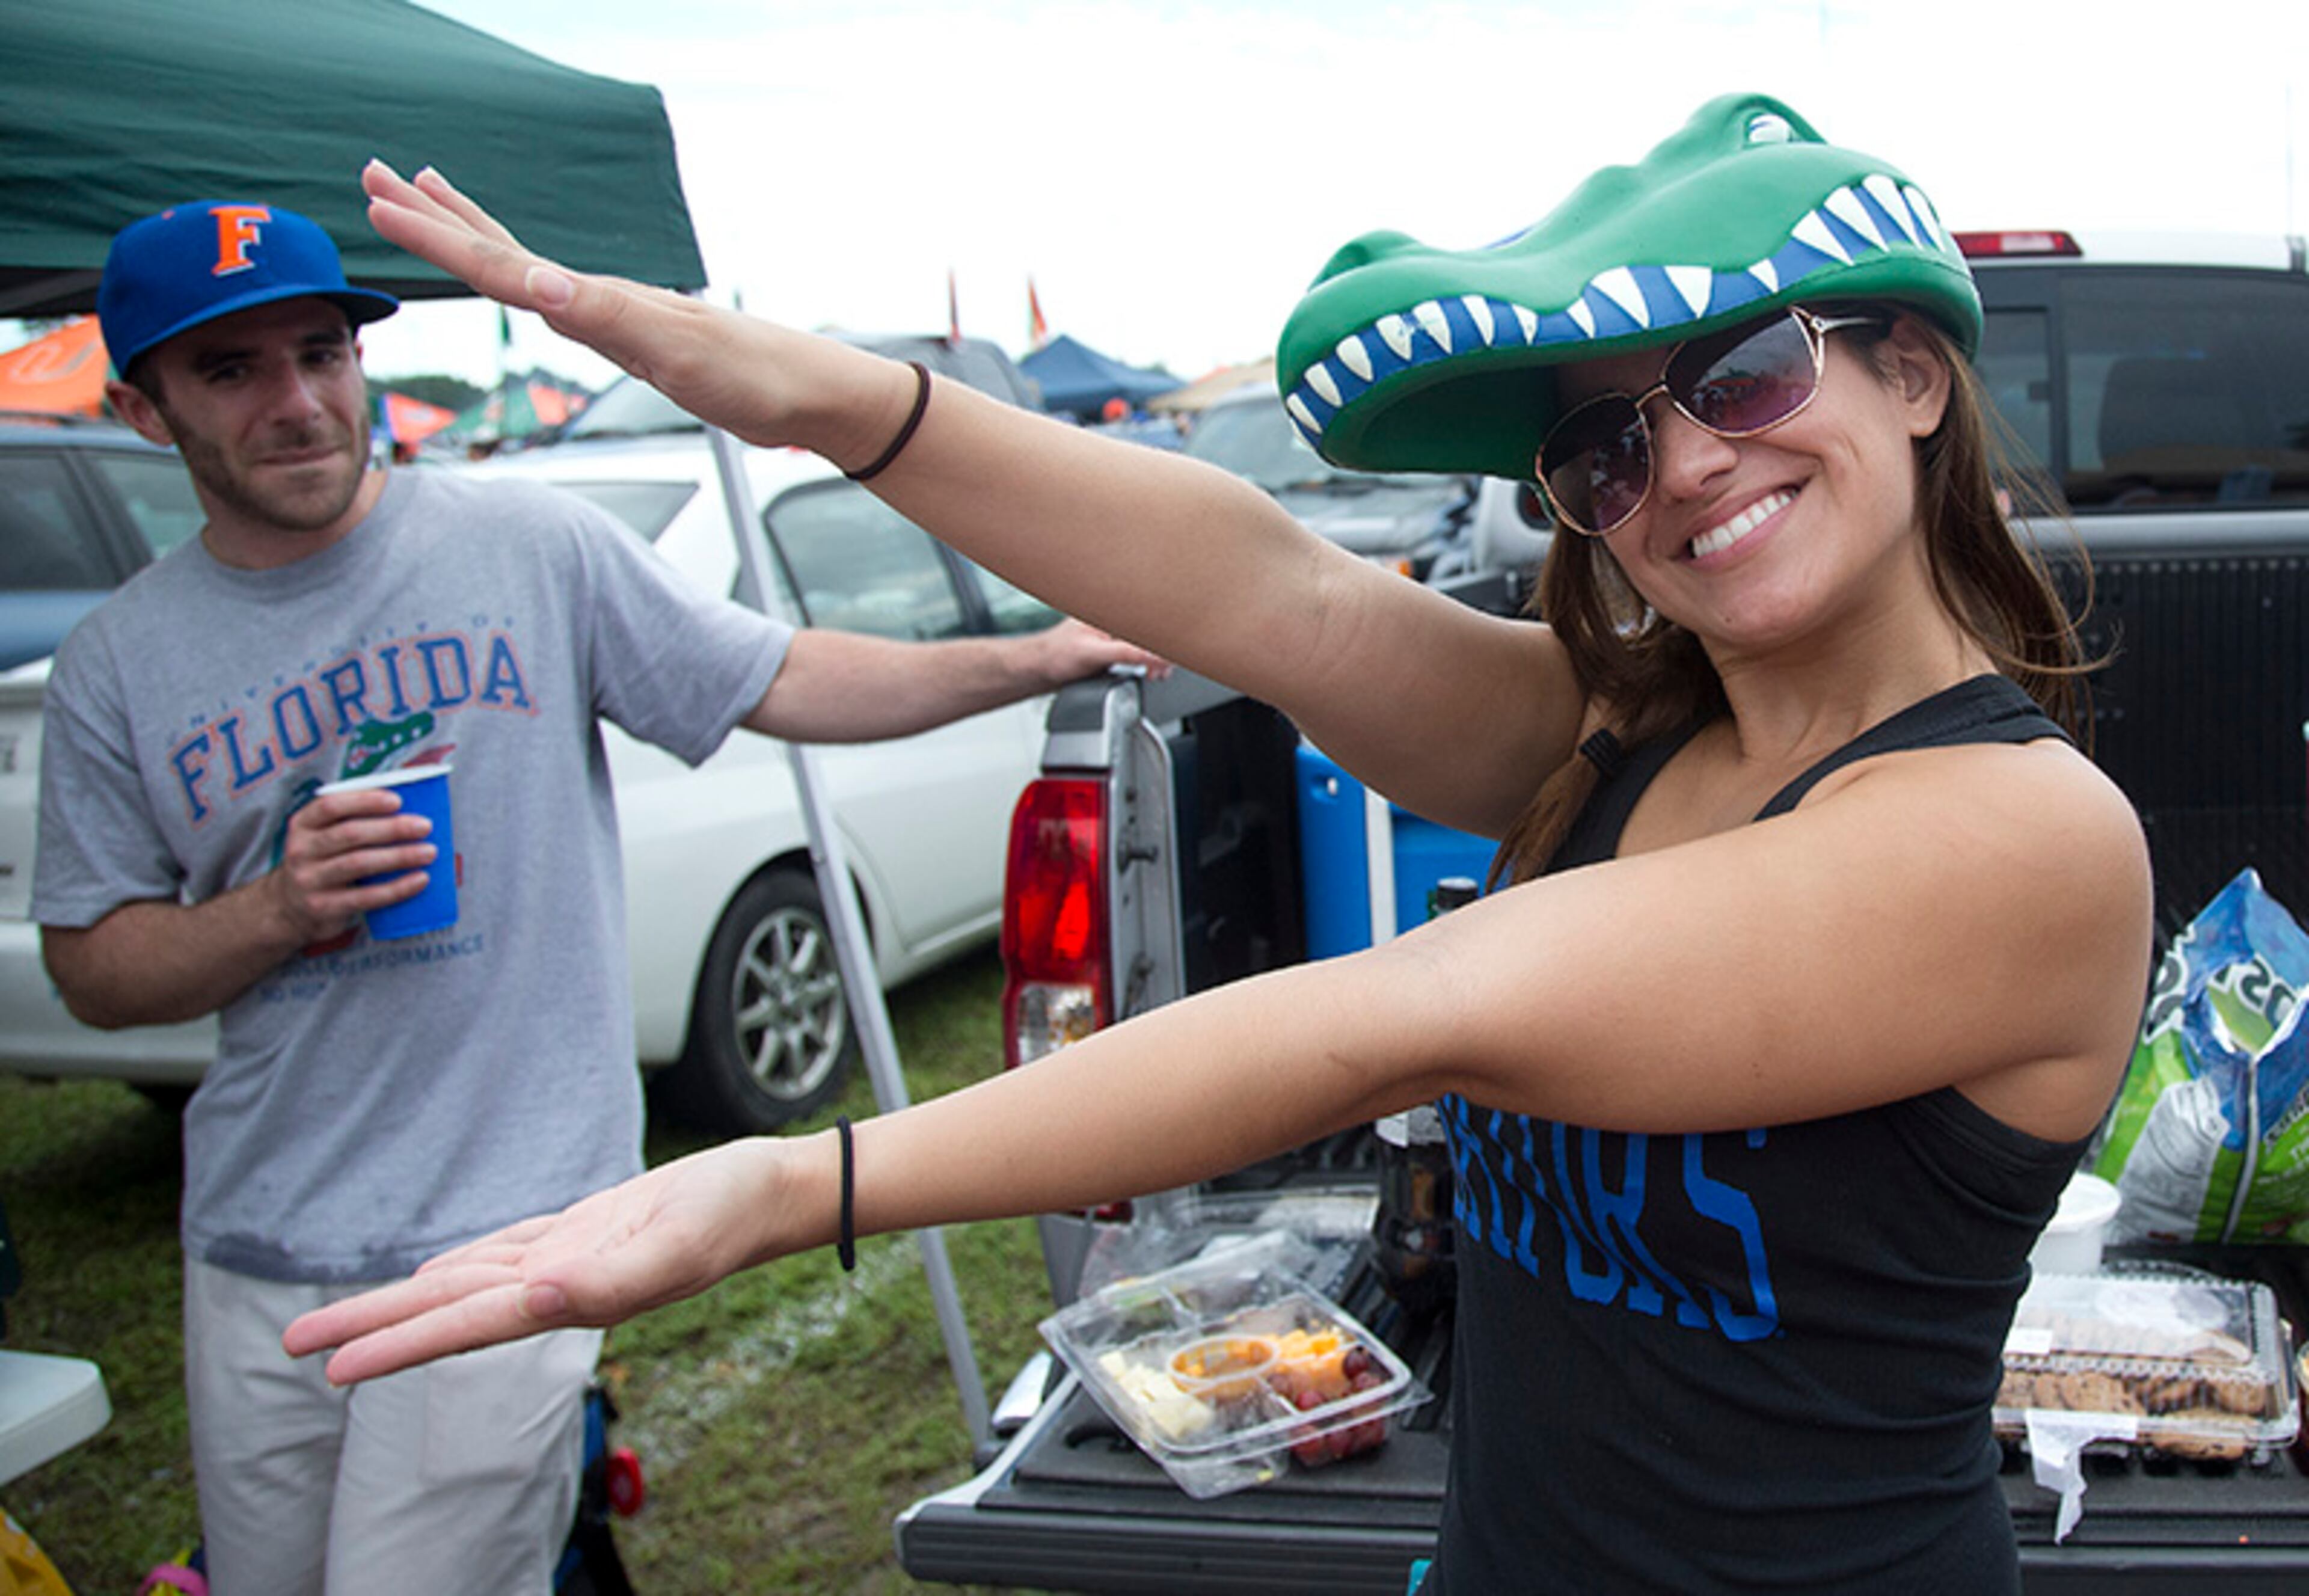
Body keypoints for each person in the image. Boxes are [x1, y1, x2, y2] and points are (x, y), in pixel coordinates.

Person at [286, 93, 2156, 1594]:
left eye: (1745, 375)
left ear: (1913, 371)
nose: (1676, 470)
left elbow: (1404, 1011)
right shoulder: (1623, 728)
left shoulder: (2019, 837)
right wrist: (793, 385)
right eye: (1601, 450)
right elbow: (1272, 592)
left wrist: (785, 1187)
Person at [32, 198, 1161, 1596]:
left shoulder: (527, 550)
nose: (298, 401)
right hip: (256, 1241)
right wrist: (275, 907)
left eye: (320, 351)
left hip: (515, 1214)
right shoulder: (115, 665)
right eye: (231, 371)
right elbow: (93, 967)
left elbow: (778, 677)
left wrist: (1035, 655)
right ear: (145, 411)